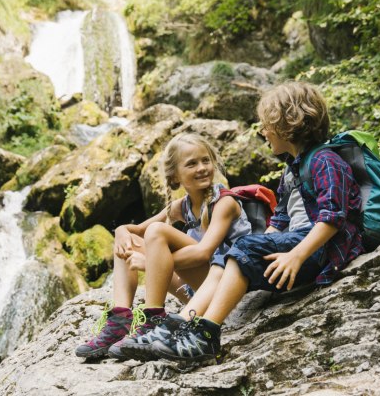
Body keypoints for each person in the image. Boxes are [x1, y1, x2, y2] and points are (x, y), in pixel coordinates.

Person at [149, 81, 364, 364]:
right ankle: (179, 324)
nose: (263, 132)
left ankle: (206, 334)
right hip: (298, 247)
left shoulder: (325, 160)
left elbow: (333, 216)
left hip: (319, 250)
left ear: (289, 124)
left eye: (266, 125)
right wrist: (267, 242)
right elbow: (282, 218)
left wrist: (296, 255)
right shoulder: (293, 169)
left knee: (244, 248)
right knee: (231, 255)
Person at [74, 132, 252, 360]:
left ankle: (153, 319)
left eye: (206, 160)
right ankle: (119, 322)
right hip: (196, 291)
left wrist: (150, 263)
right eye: (192, 164)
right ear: (175, 177)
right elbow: (134, 232)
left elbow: (203, 253)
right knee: (128, 242)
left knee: (157, 231)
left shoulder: (224, 203)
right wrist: (120, 232)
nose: (202, 168)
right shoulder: (182, 206)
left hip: (225, 287)